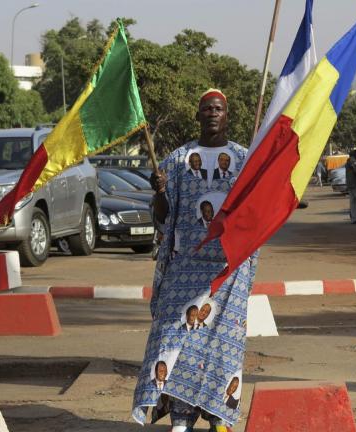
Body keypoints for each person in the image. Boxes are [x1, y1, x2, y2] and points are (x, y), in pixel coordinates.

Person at [133, 89, 254, 432]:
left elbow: (255, 215)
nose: (212, 113)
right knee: (177, 341)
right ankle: (182, 418)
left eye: (218, 109)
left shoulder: (245, 161)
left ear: (227, 114)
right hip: (185, 268)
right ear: (198, 115)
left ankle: (219, 418)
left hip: (227, 272)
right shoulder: (177, 160)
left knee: (220, 348)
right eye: (206, 109)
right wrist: (159, 192)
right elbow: (162, 218)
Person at [345, 150, 356, 224]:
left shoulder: (348, 161)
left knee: (353, 202)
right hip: (355, 184)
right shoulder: (353, 161)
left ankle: (354, 219)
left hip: (350, 184)